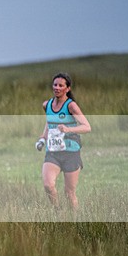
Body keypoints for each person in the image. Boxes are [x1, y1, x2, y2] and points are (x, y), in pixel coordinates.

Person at [35, 72, 91, 210]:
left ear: (67, 88)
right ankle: (58, 212)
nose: (57, 88)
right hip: (53, 152)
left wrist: (68, 129)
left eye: (61, 85)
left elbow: (87, 127)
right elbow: (49, 122)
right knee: (48, 185)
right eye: (55, 85)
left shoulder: (71, 106)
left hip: (71, 152)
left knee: (69, 193)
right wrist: (43, 137)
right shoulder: (47, 105)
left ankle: (74, 219)